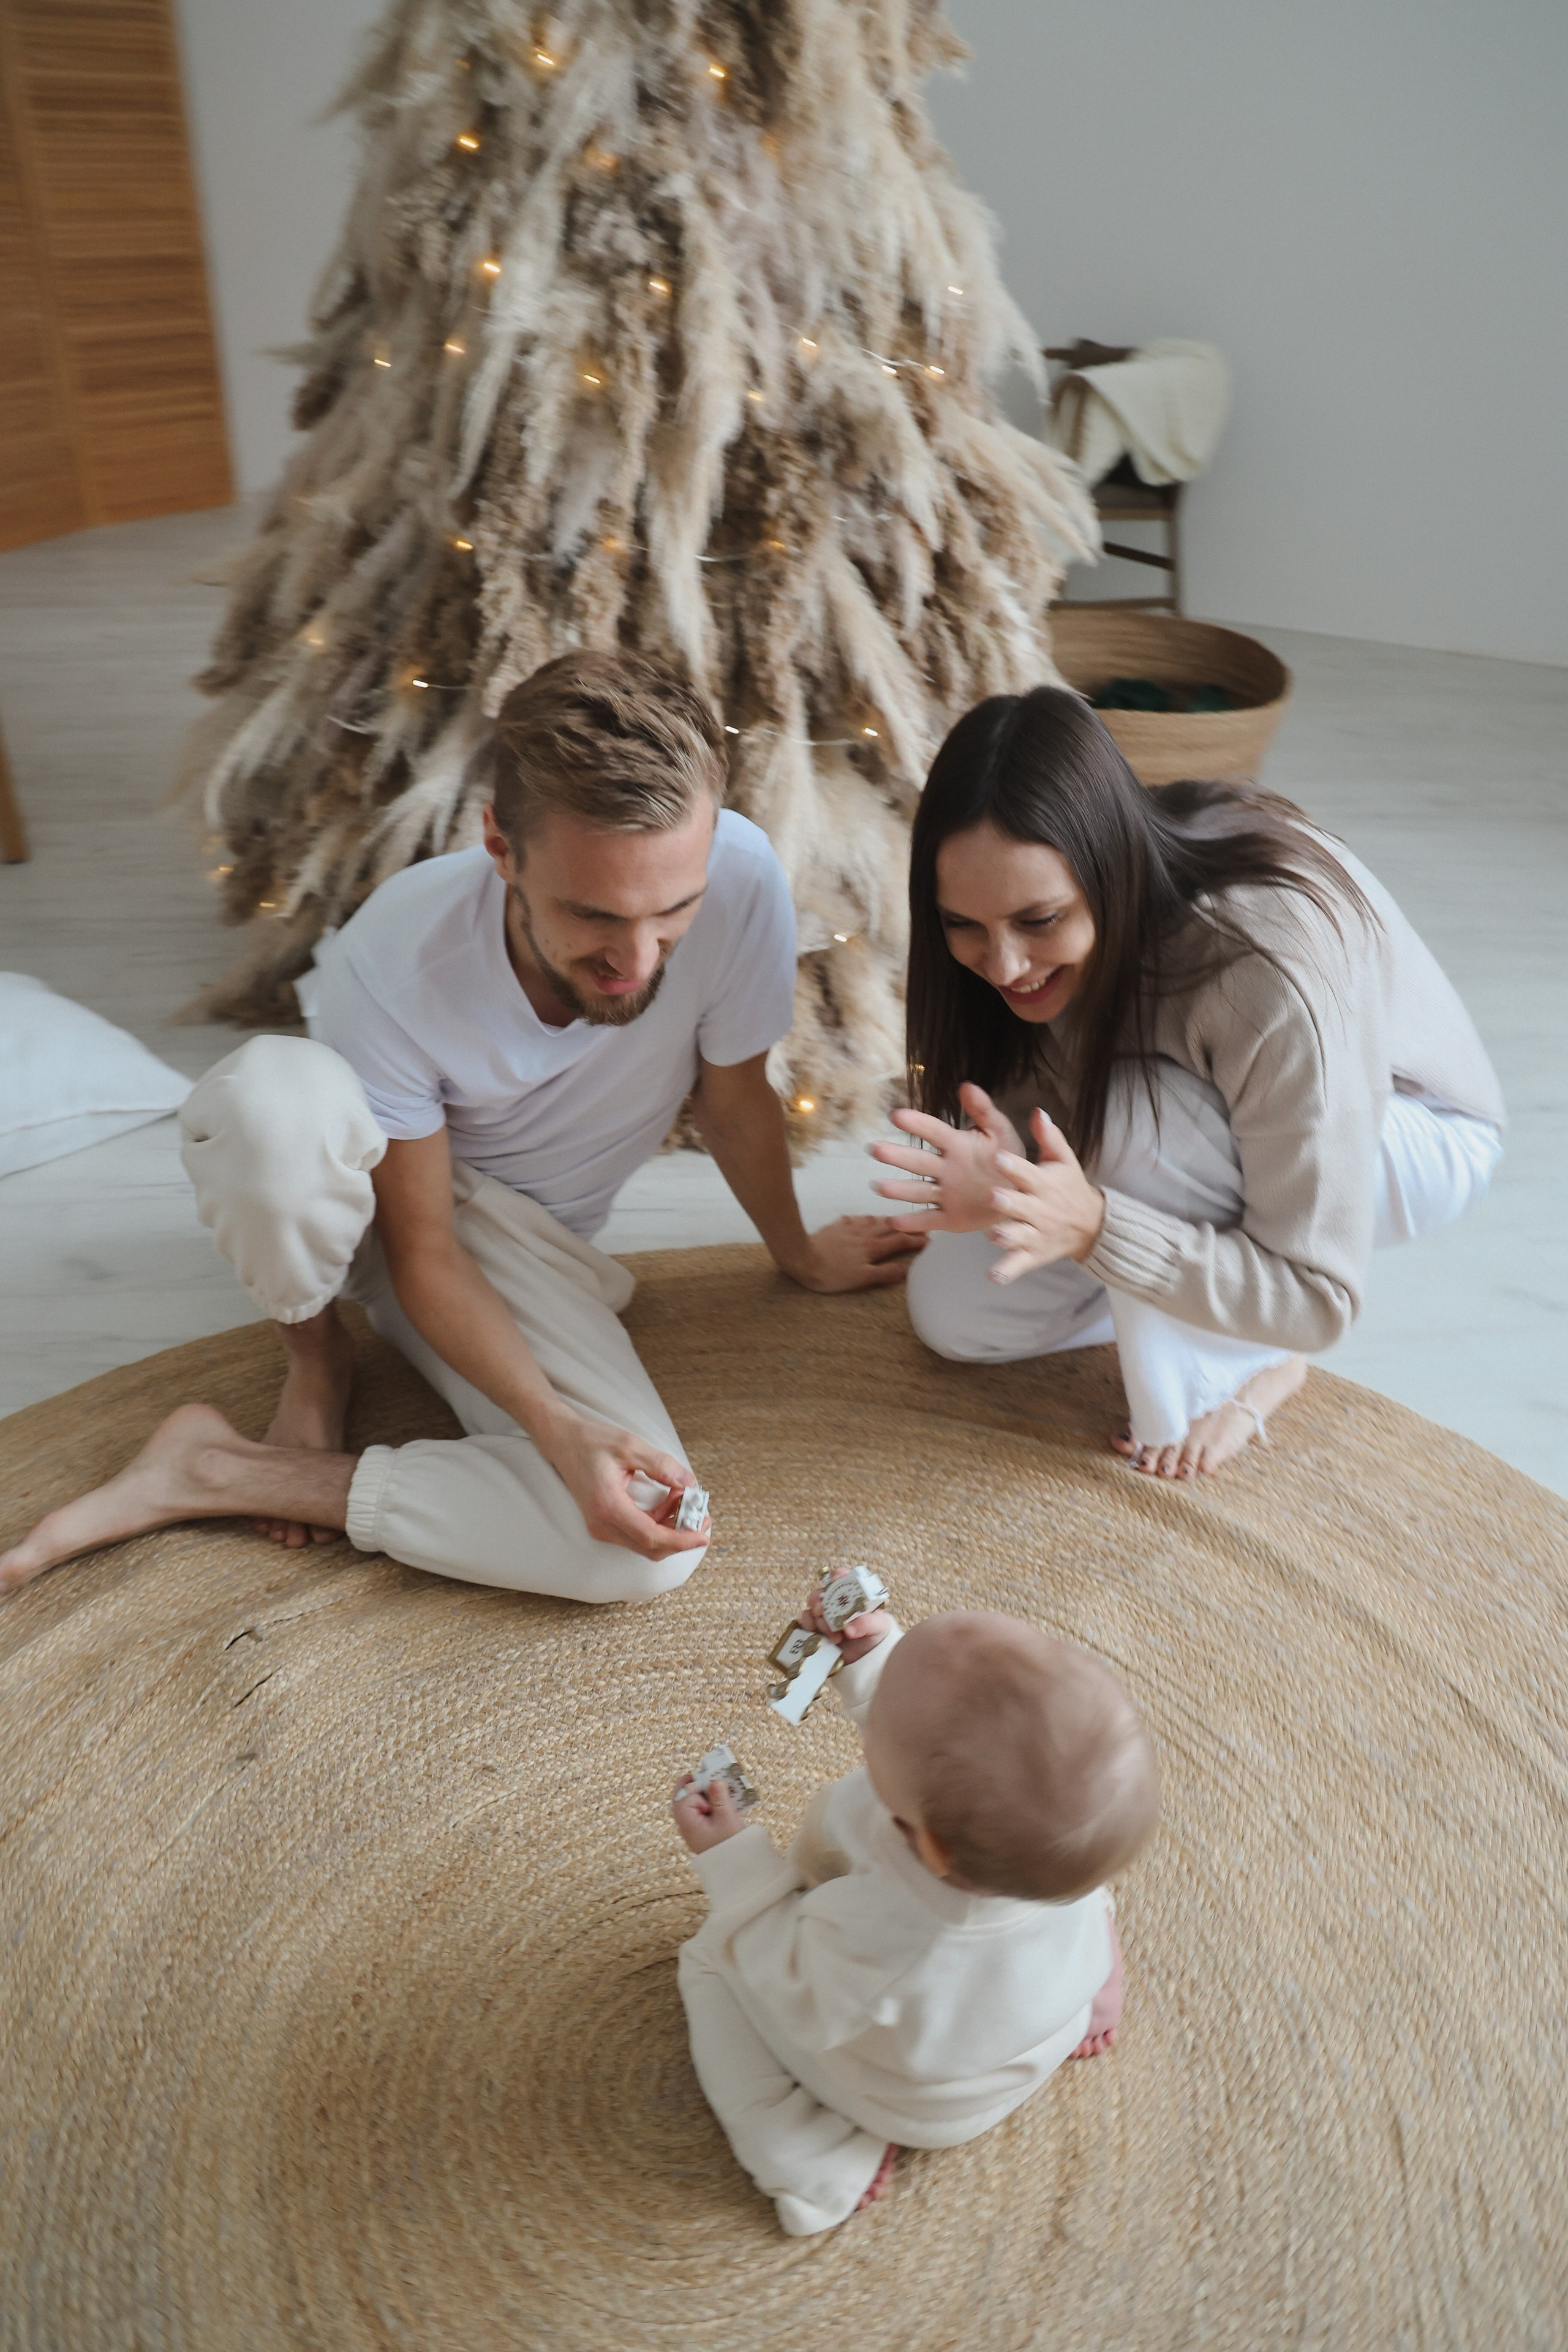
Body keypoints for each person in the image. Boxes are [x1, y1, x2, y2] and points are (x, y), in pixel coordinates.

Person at [0, 654, 919, 1601]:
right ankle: (314, 1358)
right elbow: (424, 1251)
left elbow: (734, 1098)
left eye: (673, 910)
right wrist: (556, 1433)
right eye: (593, 914)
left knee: (647, 1549)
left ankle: (213, 1471)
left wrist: (798, 1253)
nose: (637, 960)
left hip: (532, 1246)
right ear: (500, 845)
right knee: (271, 1102)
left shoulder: (740, 877)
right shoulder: (398, 960)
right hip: (397, 1210)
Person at [869, 687, 1505, 1478]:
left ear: (1110, 871)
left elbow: (1318, 1296)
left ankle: (1249, 1369)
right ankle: (1191, 1265)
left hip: (1407, 1131)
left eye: (1038, 922)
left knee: (1129, 1124)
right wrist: (1003, 1182)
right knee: (958, 1319)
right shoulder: (1014, 928)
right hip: (1192, 1132)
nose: (1001, 965)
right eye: (963, 925)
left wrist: (1099, 1229)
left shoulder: (1260, 965)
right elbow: (1034, 1096)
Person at [671, 1589, 1158, 2236]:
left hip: (912, 2098)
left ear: (928, 1842)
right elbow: (944, 1744)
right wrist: (873, 1662)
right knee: (1087, 1908)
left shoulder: (896, 1935)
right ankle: (1098, 1992)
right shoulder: (1044, 1848)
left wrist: (732, 1858)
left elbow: (787, 1980)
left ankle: (805, 2152)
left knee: (710, 1960)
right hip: (1033, 2028)